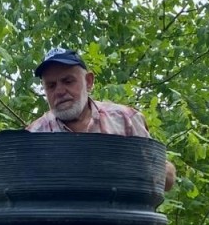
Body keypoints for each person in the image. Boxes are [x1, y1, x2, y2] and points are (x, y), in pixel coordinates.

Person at [27, 47, 177, 191]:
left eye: (68, 81)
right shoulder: (33, 136)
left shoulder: (125, 120)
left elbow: (167, 180)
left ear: (88, 82)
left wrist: (128, 166)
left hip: (120, 209)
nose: (59, 91)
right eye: (51, 86)